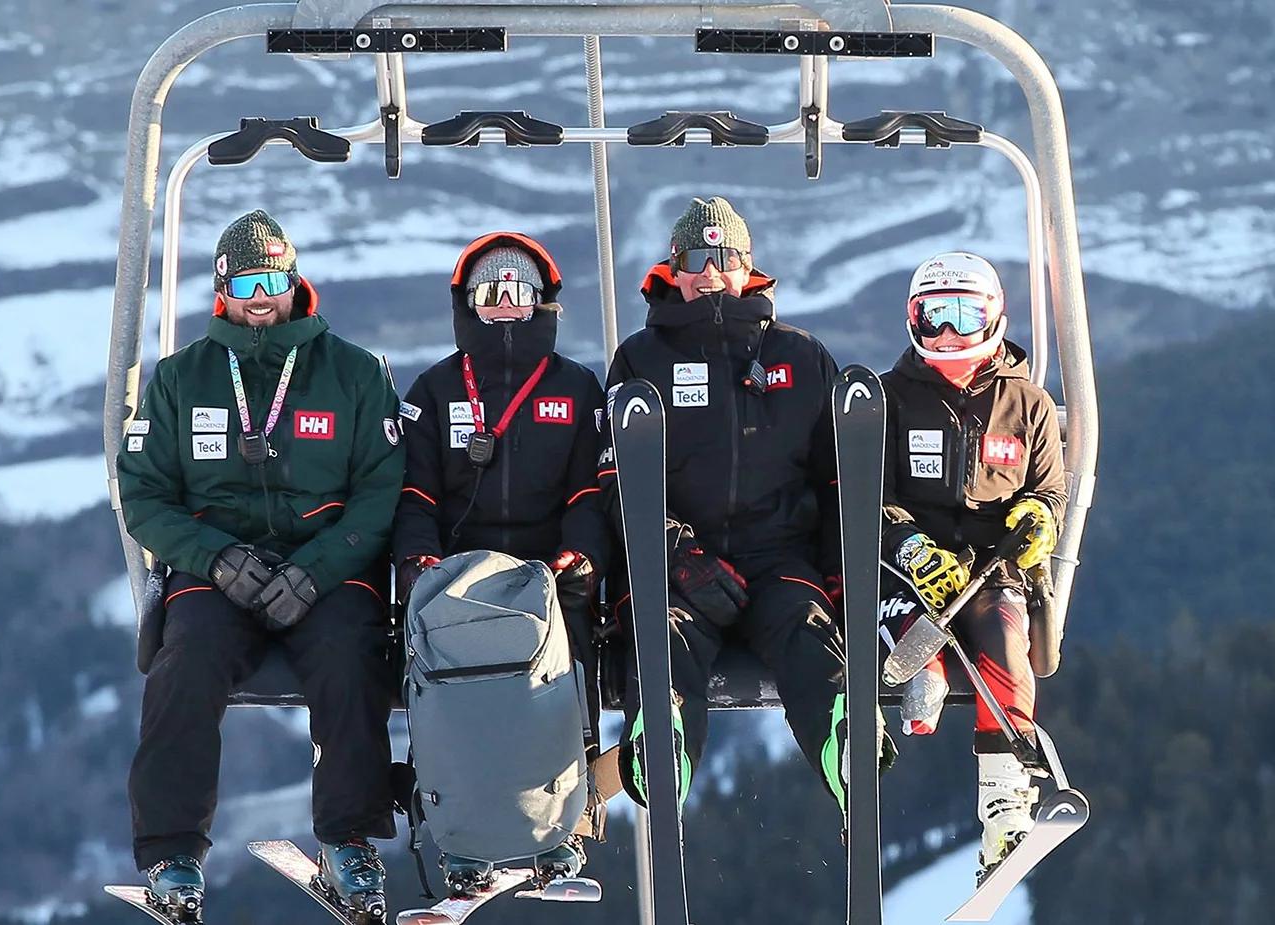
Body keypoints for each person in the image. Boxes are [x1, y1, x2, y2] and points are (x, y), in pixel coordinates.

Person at [116, 210, 405, 918]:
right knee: (186, 662)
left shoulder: (355, 372)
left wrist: (317, 567)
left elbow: (380, 491)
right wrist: (215, 559)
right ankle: (171, 852)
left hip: (327, 570)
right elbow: (144, 494)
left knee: (349, 656)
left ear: (295, 279)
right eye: (247, 280)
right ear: (222, 287)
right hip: (221, 573)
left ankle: (349, 840)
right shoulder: (183, 378)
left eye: (275, 279)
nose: (262, 296)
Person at [601, 196, 886, 820]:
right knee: (664, 640)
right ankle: (661, 745)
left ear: (748, 266)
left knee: (809, 636)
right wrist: (677, 554)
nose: (710, 272)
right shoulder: (640, 359)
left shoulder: (801, 356)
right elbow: (616, 477)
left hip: (777, 558)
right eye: (695, 259)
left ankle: (849, 749)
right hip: (682, 571)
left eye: (724, 257)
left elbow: (840, 479)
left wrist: (843, 577)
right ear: (672, 269)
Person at [391, 231, 610, 883]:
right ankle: (454, 826)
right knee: (452, 686)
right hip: (460, 578)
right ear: (469, 302)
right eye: (493, 292)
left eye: (521, 293)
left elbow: (588, 490)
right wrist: (418, 560)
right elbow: (415, 494)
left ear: (543, 302)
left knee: (569, 665)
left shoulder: (576, 388)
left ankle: (569, 817)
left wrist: (582, 553)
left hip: (549, 576)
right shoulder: (433, 391)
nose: (507, 305)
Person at [875, 251, 1065, 883]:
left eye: (964, 315)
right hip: (909, 566)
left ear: (995, 317)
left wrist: (1036, 519)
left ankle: (1006, 805)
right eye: (934, 317)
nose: (949, 334)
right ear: (913, 321)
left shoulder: (1027, 404)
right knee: (912, 635)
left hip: (991, 567)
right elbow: (866, 498)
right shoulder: (889, 399)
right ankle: (922, 672)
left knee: (1004, 640)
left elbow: (1048, 491)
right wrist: (907, 548)